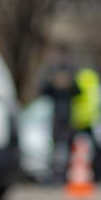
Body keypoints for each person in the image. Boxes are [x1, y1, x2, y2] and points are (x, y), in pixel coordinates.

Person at [39, 45, 79, 183]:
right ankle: (55, 173)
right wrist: (52, 82)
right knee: (54, 144)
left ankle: (67, 173)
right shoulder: (51, 70)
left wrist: (70, 83)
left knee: (69, 143)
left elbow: (78, 91)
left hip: (69, 113)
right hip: (55, 112)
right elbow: (43, 91)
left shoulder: (72, 71)